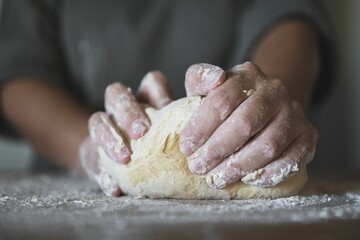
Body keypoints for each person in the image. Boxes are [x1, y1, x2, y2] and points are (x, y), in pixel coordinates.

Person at [0, 0, 333, 196]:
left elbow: (288, 15)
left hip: (256, 166)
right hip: (67, 191)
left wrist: (263, 106)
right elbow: (16, 67)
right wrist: (90, 147)